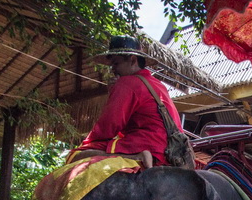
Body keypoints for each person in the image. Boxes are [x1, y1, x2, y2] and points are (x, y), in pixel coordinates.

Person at [69, 35, 184, 168]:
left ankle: (136, 156)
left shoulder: (127, 83)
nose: (113, 69)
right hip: (171, 149)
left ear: (133, 60)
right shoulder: (157, 84)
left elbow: (108, 127)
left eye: (116, 63)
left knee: (75, 156)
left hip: (148, 145)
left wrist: (87, 143)